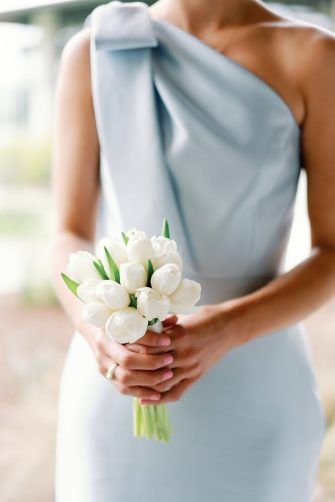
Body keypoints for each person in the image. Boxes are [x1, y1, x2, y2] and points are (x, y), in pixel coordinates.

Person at [51, 0, 335, 500]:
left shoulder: (313, 55)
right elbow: (67, 233)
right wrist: (96, 330)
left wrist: (228, 326)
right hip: (120, 374)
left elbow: (332, 250)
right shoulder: (95, 50)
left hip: (255, 380)